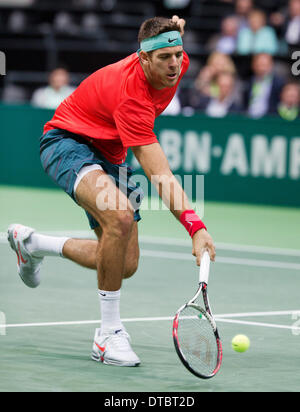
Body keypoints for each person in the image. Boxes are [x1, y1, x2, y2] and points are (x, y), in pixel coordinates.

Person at [8, 16, 216, 368]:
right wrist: (195, 227)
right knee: (119, 215)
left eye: (178, 55)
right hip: (68, 141)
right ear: (143, 58)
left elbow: (170, 42)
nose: (174, 64)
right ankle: (107, 335)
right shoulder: (131, 96)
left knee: (125, 263)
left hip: (111, 154)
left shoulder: (175, 61)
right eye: (164, 57)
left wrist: (174, 30)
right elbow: (160, 174)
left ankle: (32, 245)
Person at [245, 53, 285, 118]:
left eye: (264, 65)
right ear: (253, 66)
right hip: (250, 119)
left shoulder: (279, 84)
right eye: (259, 65)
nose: (261, 69)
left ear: (271, 66)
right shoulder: (248, 82)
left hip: (270, 120)